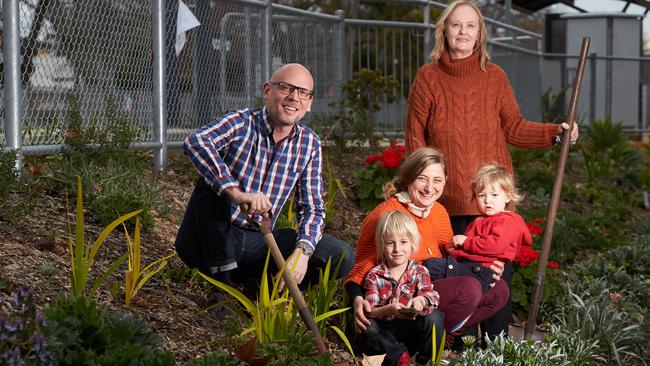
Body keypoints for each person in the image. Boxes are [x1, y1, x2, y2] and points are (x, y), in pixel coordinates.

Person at [404, 0, 578, 339]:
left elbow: (513, 127)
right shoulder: (428, 77)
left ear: (480, 33)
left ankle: (499, 351)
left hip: (494, 204)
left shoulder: (494, 76)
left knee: (498, 281)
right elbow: (414, 138)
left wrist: (554, 133)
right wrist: (416, 188)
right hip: (446, 204)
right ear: (444, 31)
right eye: (456, 25)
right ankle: (452, 346)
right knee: (455, 282)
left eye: (471, 26)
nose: (463, 32)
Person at [175, 63, 354, 308]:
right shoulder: (241, 122)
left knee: (341, 254)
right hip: (210, 240)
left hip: (258, 241)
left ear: (310, 103)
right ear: (268, 91)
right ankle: (222, 291)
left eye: (303, 92)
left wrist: (302, 253)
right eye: (286, 88)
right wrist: (236, 193)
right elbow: (196, 141)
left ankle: (267, 288)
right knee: (211, 186)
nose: (294, 98)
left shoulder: (309, 144)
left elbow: (312, 208)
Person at [346, 147, 508, 342]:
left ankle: (442, 331)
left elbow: (453, 257)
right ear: (408, 177)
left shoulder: (439, 211)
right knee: (469, 288)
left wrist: (485, 266)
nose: (429, 187)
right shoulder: (387, 213)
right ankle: (416, 334)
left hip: (430, 287)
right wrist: (357, 299)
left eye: (437, 180)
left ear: (445, 181)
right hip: (402, 294)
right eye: (422, 178)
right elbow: (363, 263)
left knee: (500, 290)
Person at [360, 210, 445, 366]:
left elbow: (432, 296)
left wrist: (421, 301)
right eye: (390, 243)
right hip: (386, 336)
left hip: (411, 331)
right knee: (368, 326)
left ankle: (427, 362)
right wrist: (389, 310)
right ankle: (398, 358)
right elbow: (370, 311)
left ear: (412, 242)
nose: (397, 249)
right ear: (382, 245)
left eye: (403, 242)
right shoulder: (375, 275)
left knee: (435, 317)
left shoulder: (419, 271)